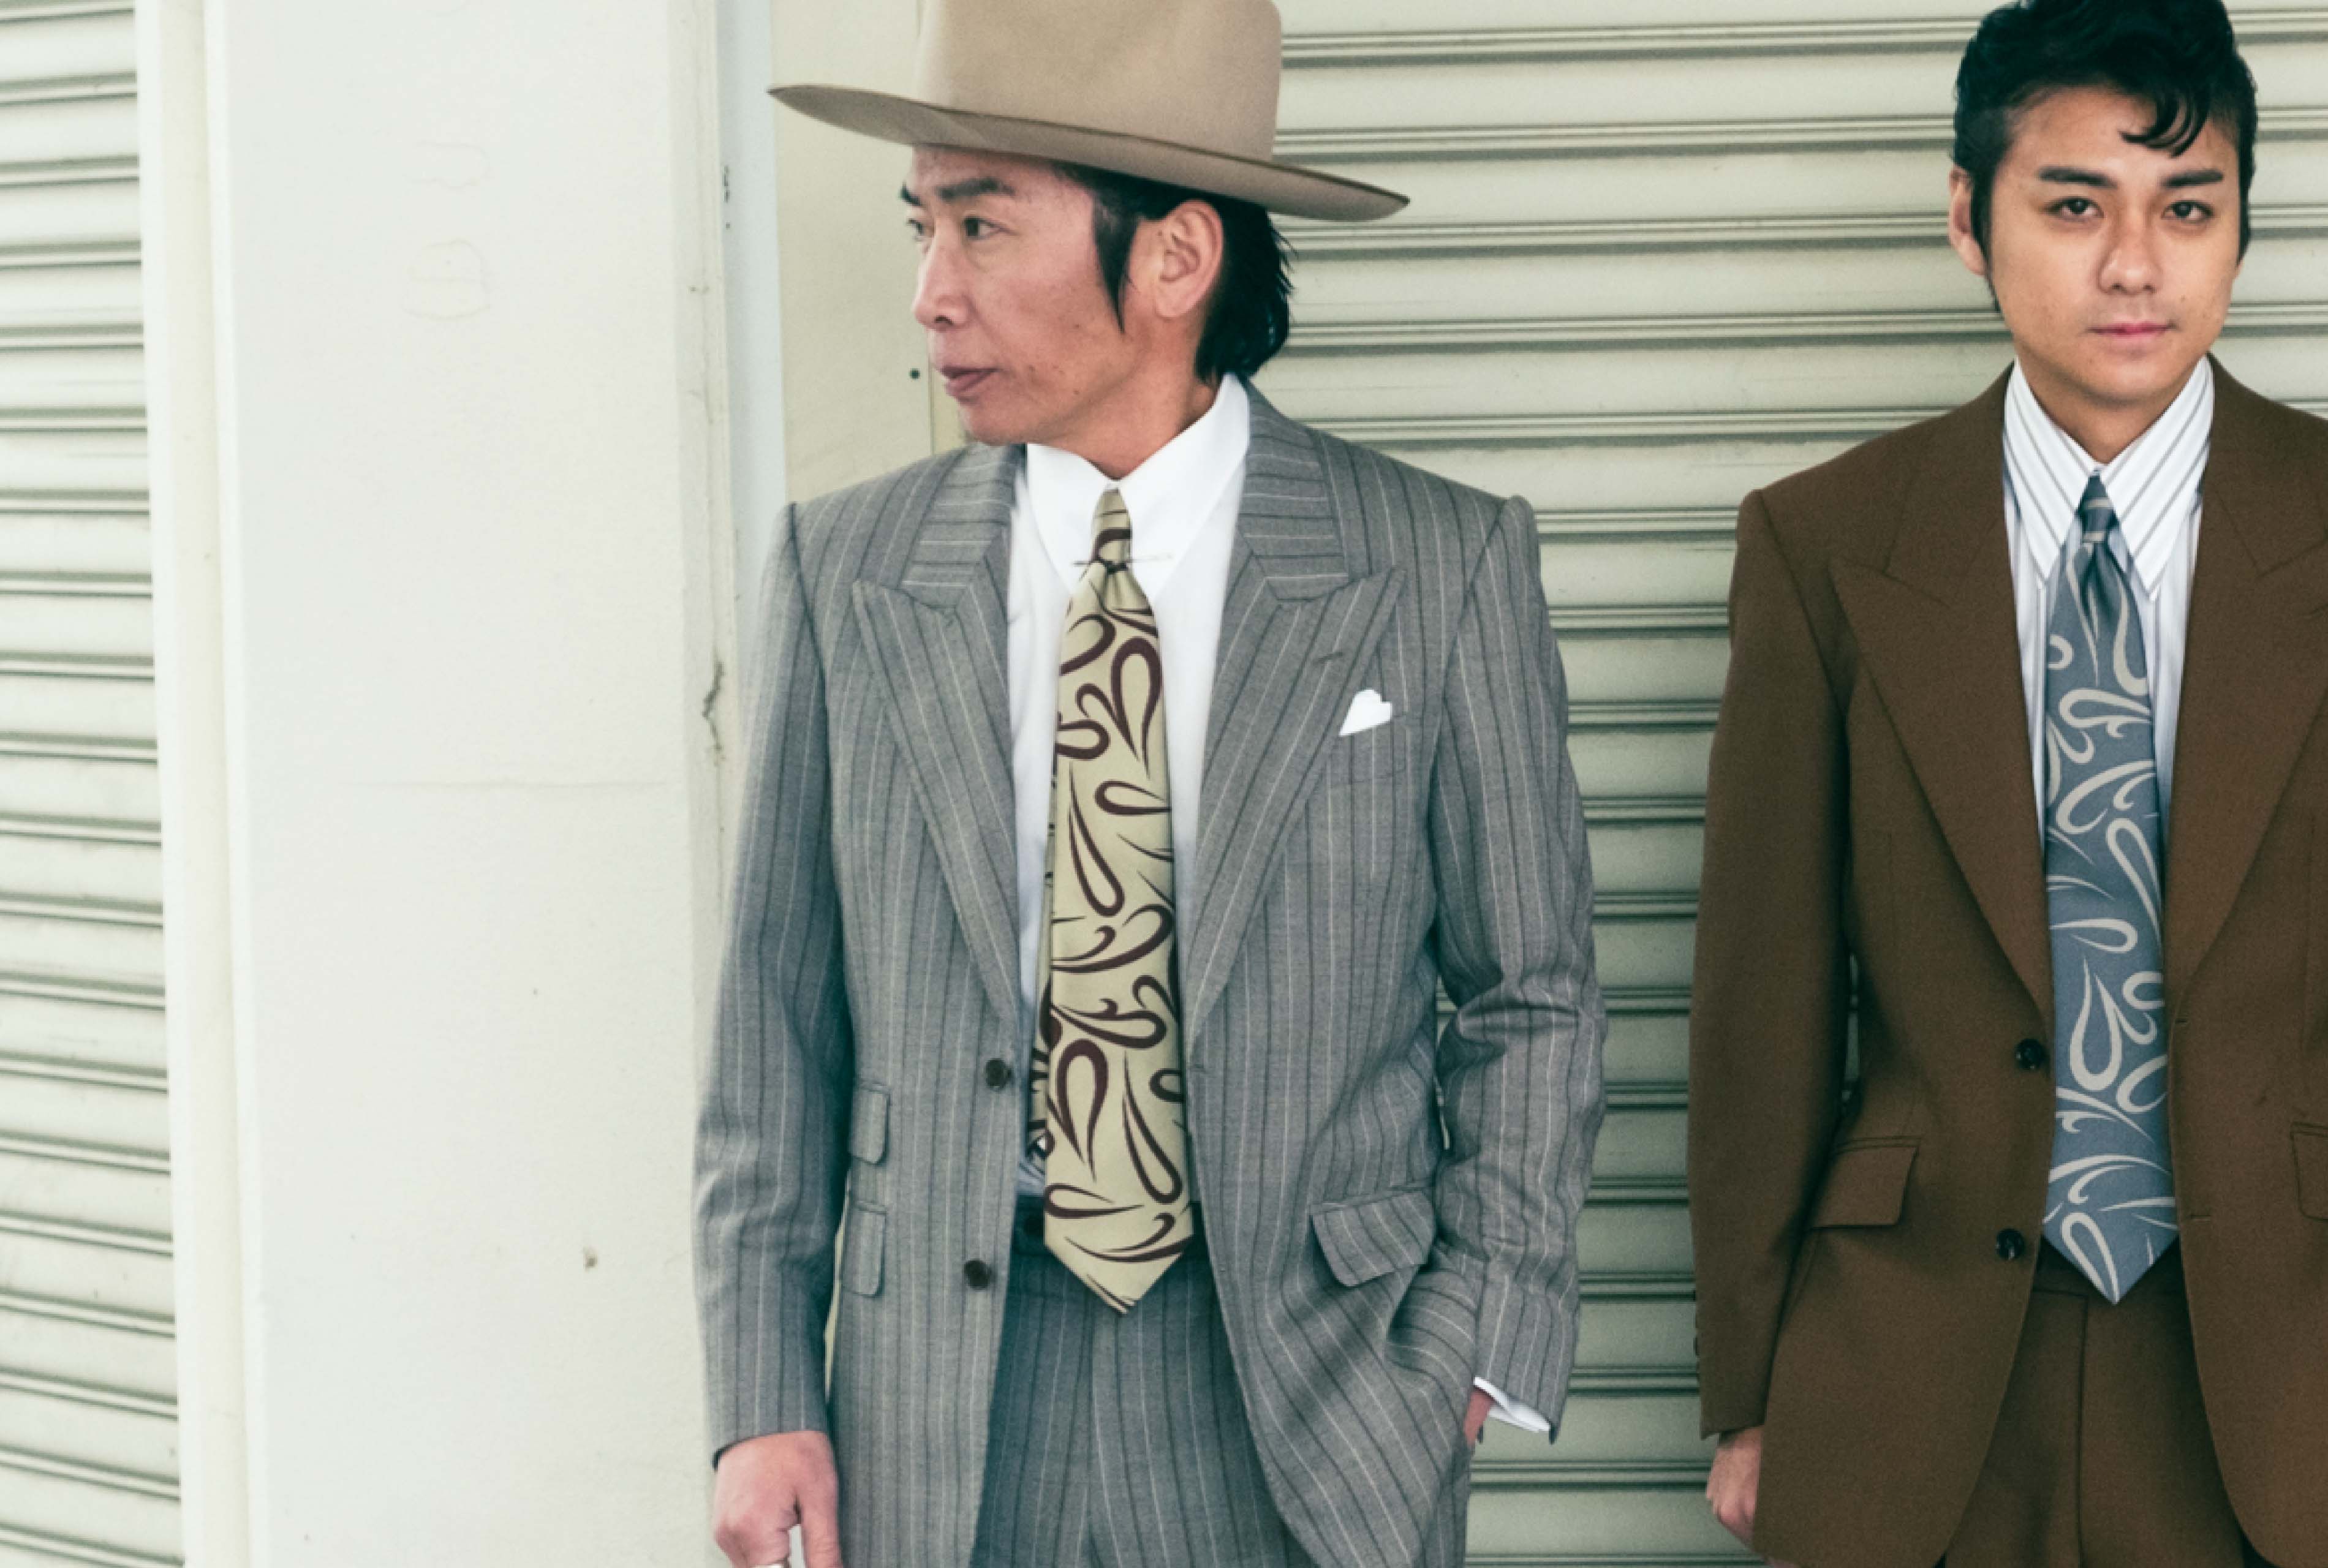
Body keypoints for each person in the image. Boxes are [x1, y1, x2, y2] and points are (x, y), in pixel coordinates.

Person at [693, 1, 1608, 1564]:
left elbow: (1532, 990)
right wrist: (762, 1390)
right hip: (944, 1397)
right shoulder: (849, 572)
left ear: (1177, 258)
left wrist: (1466, 1342)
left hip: (1310, 1393)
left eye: (982, 226)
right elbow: (775, 1011)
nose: (929, 293)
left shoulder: (1435, 564)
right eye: (922, 225)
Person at [1688, 2, 2328, 1564]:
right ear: (1967, 220)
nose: (2135, 266)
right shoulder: (1824, 544)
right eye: (2076, 206)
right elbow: (1762, 1003)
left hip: (2278, 1357)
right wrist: (1749, 1392)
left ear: (2241, 229)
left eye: (2187, 210)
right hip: (1917, 1369)